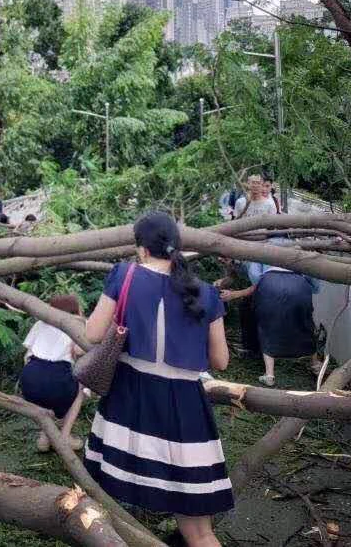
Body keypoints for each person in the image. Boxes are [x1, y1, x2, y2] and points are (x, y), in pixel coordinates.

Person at [83, 212, 233, 547]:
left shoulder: (124, 275)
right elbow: (221, 361)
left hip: (130, 399)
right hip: (185, 406)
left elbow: (92, 333)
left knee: (104, 494)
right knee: (199, 530)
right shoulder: (207, 293)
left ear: (142, 249)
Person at [220, 176, 320, 385]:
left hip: (270, 284)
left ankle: (270, 374)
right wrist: (309, 288)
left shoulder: (264, 249)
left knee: (267, 324)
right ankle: (315, 363)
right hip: (299, 285)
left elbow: (257, 279)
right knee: (305, 322)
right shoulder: (298, 248)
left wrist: (236, 290)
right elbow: (314, 280)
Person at [20, 294, 85, 453]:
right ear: (75, 310)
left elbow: (26, 356)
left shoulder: (40, 323)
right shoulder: (77, 326)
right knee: (83, 389)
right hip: (57, 377)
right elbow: (80, 351)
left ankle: (44, 436)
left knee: (43, 396)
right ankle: (65, 437)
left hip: (29, 378)